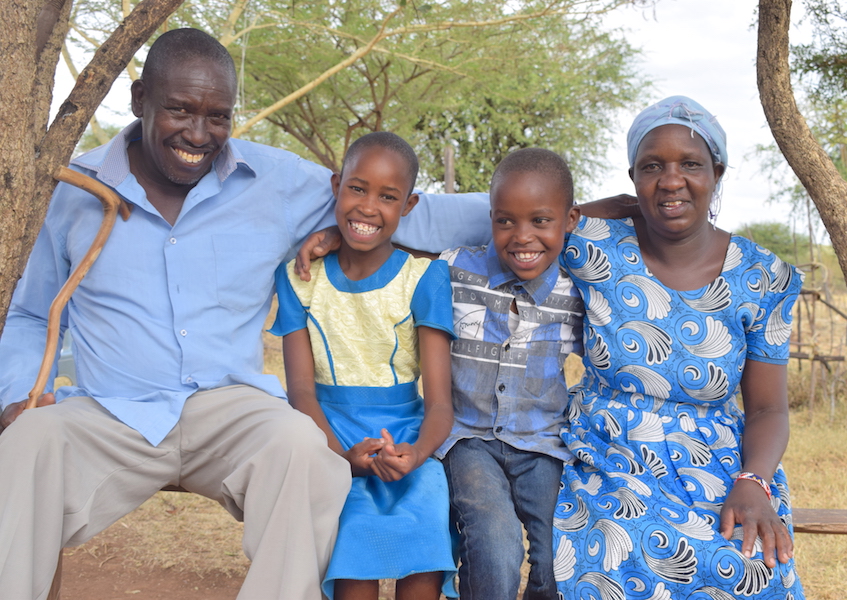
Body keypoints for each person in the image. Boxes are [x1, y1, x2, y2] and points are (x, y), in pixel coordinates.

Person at [0, 28, 488, 600]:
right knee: (26, 442)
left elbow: (413, 215)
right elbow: (32, 314)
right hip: (112, 410)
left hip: (229, 409)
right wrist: (17, 394)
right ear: (139, 100)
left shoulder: (273, 182)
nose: (199, 134)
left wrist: (550, 211)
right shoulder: (75, 189)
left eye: (218, 116)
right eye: (179, 110)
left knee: (303, 449)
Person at [552, 96, 805, 599]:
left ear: (716, 171)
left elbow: (770, 408)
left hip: (720, 462)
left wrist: (754, 483)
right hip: (606, 452)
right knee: (622, 551)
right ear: (632, 177)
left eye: (689, 164)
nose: (670, 181)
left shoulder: (762, 276)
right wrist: (601, 209)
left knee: (749, 567)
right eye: (652, 168)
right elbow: (521, 212)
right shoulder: (592, 245)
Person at [271, 132, 457, 600]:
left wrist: (415, 454)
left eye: (388, 196)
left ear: (408, 205)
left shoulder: (424, 277)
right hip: (329, 434)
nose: (368, 207)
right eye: (357, 188)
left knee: (427, 509)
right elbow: (301, 393)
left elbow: (439, 404)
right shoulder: (300, 279)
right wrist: (340, 458)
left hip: (408, 438)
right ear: (336, 186)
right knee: (350, 532)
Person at [436, 148, 583, 600]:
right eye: (505, 221)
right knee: (495, 545)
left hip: (543, 442)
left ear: (570, 220)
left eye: (541, 221)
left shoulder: (577, 291)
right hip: (468, 439)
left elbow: (607, 365)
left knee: (560, 552)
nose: (522, 237)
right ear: (492, 218)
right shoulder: (453, 270)